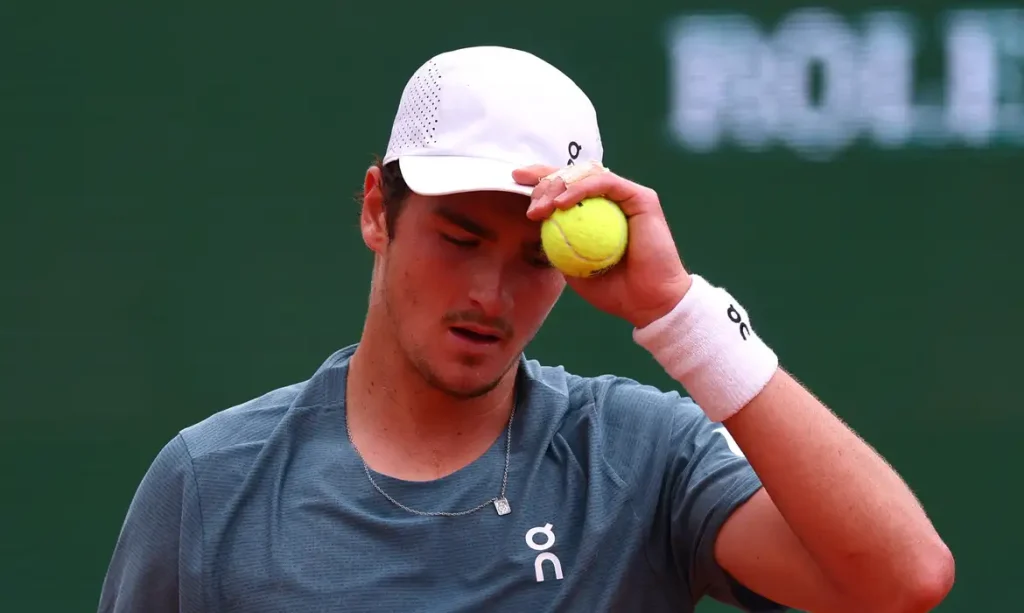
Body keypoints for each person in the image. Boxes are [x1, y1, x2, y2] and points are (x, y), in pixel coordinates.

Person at [97, 45, 954, 613]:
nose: (489, 292)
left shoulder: (639, 455)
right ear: (376, 210)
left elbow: (903, 577)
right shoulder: (210, 485)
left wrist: (681, 312)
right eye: (459, 238)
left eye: (536, 258)